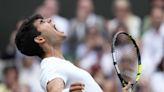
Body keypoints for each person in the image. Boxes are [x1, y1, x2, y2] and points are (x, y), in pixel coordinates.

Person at [15, 14, 131, 92]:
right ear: (40, 39)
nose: (49, 20)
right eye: (42, 22)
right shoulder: (51, 66)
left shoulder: (61, 65)